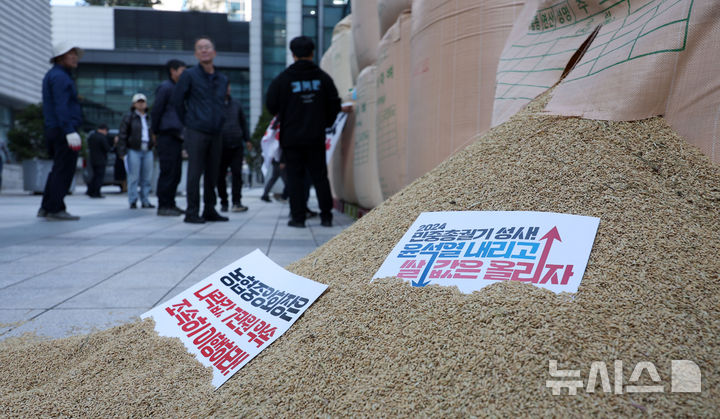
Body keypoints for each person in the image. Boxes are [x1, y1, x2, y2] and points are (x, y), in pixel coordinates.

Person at [266, 36, 346, 228]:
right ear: (312, 53)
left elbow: (271, 105)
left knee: (295, 178)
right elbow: (335, 104)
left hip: (291, 137)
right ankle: (326, 217)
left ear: (292, 54)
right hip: (315, 136)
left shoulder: (283, 79)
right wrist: (324, 123)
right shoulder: (323, 78)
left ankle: (298, 218)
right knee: (320, 176)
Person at [171, 36, 229, 224]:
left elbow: (223, 104)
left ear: (214, 52)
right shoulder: (189, 75)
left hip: (216, 131)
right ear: (196, 54)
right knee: (195, 173)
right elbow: (178, 101)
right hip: (196, 130)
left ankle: (210, 209)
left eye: (207, 47)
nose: (204, 50)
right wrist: (188, 122)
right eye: (200, 48)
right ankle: (192, 211)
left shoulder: (222, 78)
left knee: (213, 173)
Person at [38, 42, 83, 221]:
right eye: (70, 54)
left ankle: (47, 206)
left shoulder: (54, 75)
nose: (75, 57)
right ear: (60, 57)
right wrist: (69, 129)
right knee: (64, 169)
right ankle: (56, 207)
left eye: (75, 54)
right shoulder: (60, 78)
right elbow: (61, 105)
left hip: (56, 128)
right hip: (63, 130)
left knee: (58, 168)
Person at [152, 59, 187, 216]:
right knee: (167, 171)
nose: (184, 74)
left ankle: (171, 203)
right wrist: (155, 131)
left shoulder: (179, 88)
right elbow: (157, 110)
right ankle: (163, 205)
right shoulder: (165, 87)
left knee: (176, 172)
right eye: (182, 70)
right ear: (173, 71)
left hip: (177, 136)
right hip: (166, 135)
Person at [217, 83, 251, 213]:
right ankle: (224, 201)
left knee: (237, 174)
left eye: (229, 87)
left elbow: (243, 122)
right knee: (220, 176)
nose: (228, 89)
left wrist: (247, 139)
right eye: (226, 87)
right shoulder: (215, 104)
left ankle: (237, 202)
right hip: (221, 146)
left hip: (236, 145)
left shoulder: (236, 104)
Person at [117, 93, 155, 209]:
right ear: (134, 104)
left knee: (147, 177)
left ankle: (145, 200)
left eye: (143, 101)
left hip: (147, 150)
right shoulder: (129, 117)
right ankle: (133, 200)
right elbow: (122, 135)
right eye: (139, 102)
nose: (141, 104)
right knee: (133, 177)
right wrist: (122, 152)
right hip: (134, 150)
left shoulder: (149, 118)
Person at [86, 123, 110, 198]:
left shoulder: (91, 136)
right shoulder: (102, 138)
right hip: (101, 160)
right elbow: (107, 148)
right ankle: (96, 192)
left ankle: (90, 191)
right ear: (104, 130)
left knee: (94, 176)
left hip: (92, 159)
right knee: (99, 177)